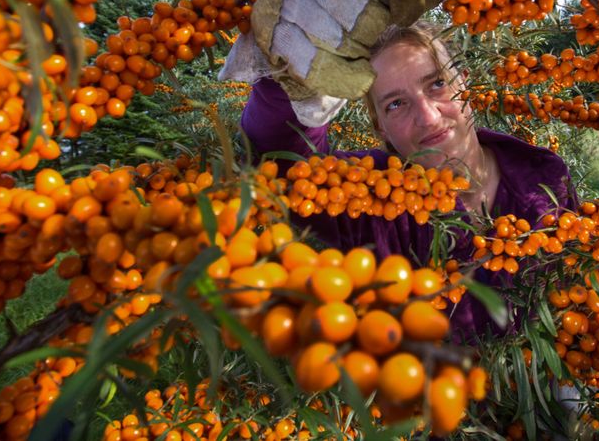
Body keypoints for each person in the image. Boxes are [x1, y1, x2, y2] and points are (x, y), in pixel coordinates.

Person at [241, 21, 579, 340]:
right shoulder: (368, 196)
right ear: (379, 129)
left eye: (437, 84)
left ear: (466, 83)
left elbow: (577, 280)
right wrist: (291, 76)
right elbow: (283, 162)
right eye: (396, 103)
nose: (428, 117)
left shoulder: (545, 176)